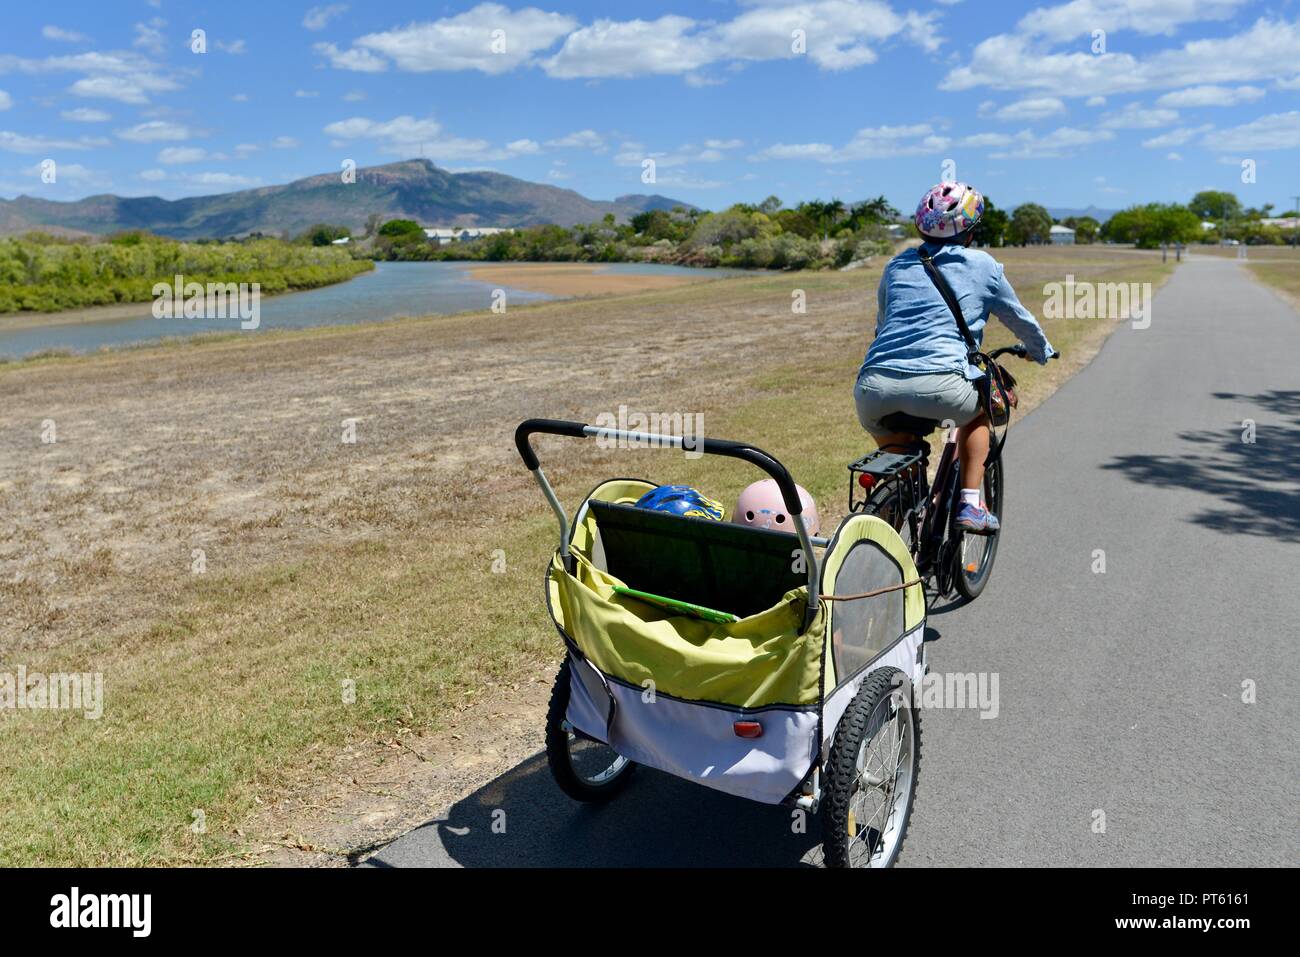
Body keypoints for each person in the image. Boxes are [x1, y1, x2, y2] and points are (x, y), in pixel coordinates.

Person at [854, 182, 1055, 534]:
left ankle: (890, 537)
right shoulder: (983, 266)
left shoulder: (896, 266)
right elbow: (1019, 319)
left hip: (874, 388)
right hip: (943, 385)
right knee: (980, 413)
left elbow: (882, 325)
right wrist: (1041, 351)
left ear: (921, 226)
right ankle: (969, 503)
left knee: (901, 465)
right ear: (971, 232)